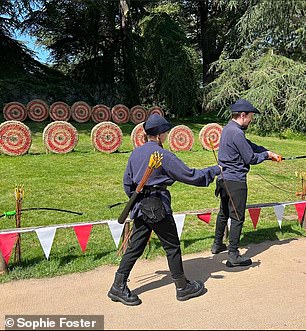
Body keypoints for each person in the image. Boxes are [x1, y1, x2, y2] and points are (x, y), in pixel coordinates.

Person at [108, 114, 221, 306]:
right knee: (172, 246)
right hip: (157, 207)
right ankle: (183, 287)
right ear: (160, 135)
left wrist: (137, 201)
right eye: (166, 132)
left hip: (142, 205)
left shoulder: (136, 153)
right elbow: (190, 175)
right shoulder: (162, 155)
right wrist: (215, 170)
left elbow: (128, 184)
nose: (167, 135)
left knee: (136, 246)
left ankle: (117, 286)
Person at [211, 99, 282, 267]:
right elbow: (250, 158)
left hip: (223, 180)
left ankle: (217, 244)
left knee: (224, 213)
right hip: (235, 181)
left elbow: (249, 146)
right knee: (237, 216)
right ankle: (233, 255)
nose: (251, 120)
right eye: (250, 117)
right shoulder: (236, 133)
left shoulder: (229, 128)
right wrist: (265, 156)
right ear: (243, 115)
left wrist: (267, 152)